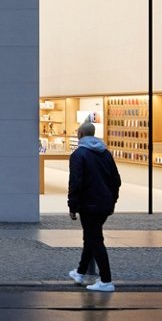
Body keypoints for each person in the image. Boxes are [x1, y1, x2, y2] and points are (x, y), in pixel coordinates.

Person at [67, 119, 121, 292]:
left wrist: (72, 206)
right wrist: (113, 200)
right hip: (104, 203)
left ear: (80, 134)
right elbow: (116, 180)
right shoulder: (106, 153)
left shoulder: (79, 154)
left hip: (88, 204)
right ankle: (81, 272)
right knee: (91, 237)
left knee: (95, 240)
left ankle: (106, 280)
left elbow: (76, 182)